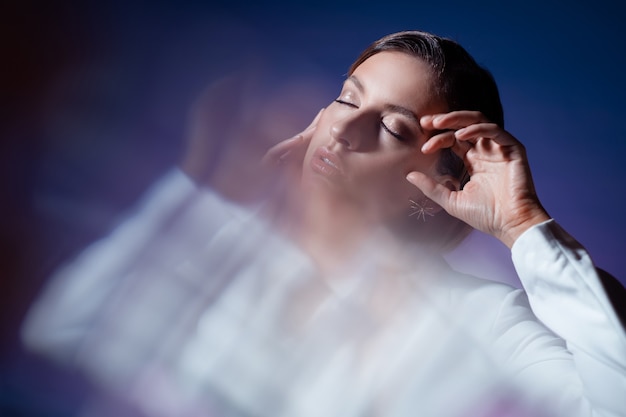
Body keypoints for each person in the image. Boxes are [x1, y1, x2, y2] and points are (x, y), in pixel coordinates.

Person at [21, 31, 626, 417]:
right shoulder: (222, 245)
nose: (342, 130)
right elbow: (61, 331)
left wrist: (523, 224)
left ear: (446, 179)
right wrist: (202, 198)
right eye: (345, 98)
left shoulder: (481, 318)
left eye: (392, 128)